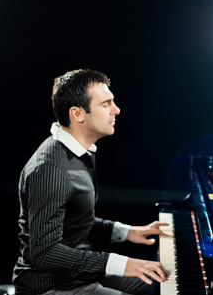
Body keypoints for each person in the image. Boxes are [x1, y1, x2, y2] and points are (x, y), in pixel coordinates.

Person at [13, 69, 169, 295]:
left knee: (162, 284)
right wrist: (121, 264)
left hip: (80, 274)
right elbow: (44, 253)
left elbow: (76, 222)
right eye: (106, 104)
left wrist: (128, 232)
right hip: (51, 286)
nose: (116, 110)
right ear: (77, 114)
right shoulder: (50, 169)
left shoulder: (82, 152)